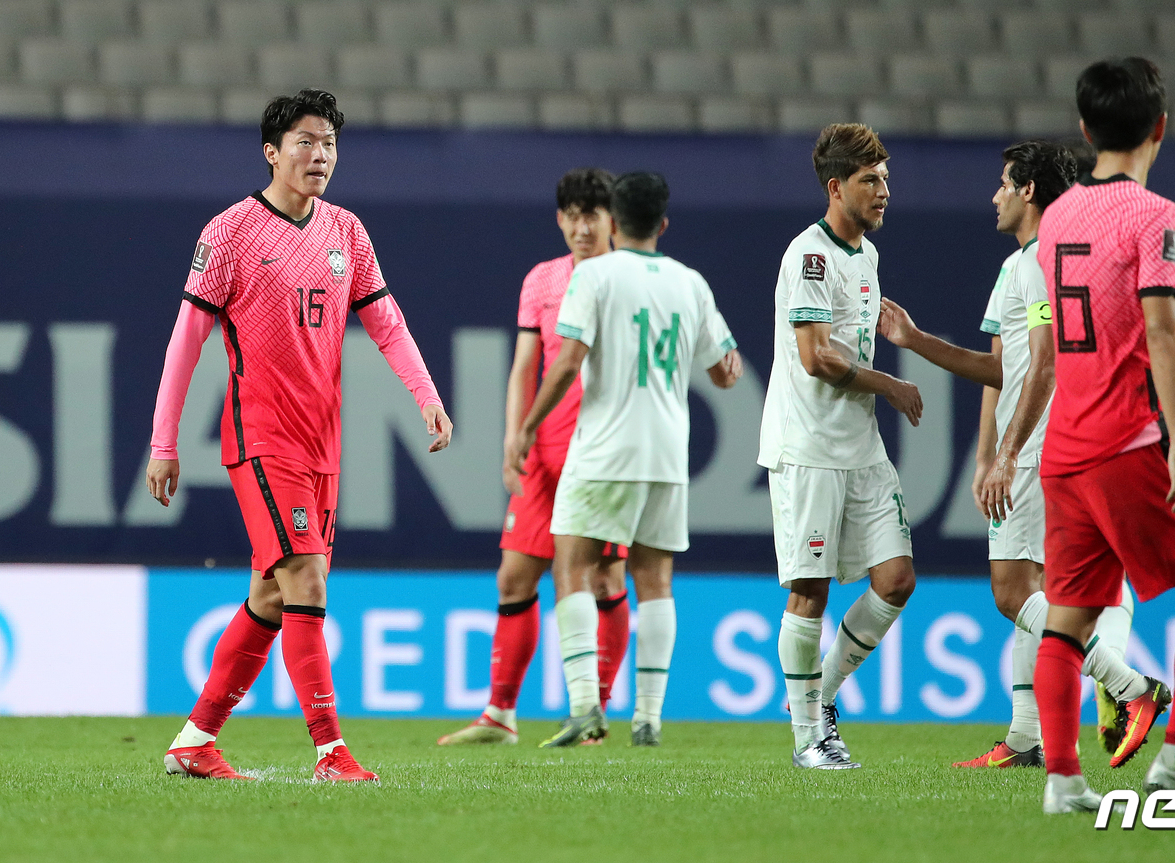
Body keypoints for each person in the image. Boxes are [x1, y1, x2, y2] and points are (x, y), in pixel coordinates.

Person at [146, 89, 451, 782]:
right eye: (306, 142)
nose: (320, 156)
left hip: (322, 444)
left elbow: (387, 323)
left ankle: (195, 740)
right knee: (307, 578)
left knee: (272, 596)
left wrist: (426, 395)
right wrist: (165, 442)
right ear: (272, 151)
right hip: (262, 436)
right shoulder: (230, 233)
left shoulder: (347, 231)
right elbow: (185, 343)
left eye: (330, 144)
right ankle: (330, 751)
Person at [877, 141, 1166, 770]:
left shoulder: (1038, 261)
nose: (995, 196)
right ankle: (1026, 738)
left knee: (1012, 592)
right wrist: (916, 342)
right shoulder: (1038, 262)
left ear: (1029, 190)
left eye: (1005, 184)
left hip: (1039, 447)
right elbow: (999, 370)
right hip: (1051, 443)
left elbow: (1044, 362)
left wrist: (1008, 455)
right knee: (1041, 590)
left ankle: (1128, 686)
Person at [1032, 58, 1175, 813]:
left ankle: (1063, 780)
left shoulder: (1057, 216)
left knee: (1068, 618)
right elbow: (1160, 327)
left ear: (1085, 128)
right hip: (1126, 443)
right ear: (1160, 126)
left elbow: (1075, 338)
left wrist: (1174, 418)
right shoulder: (1156, 215)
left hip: (1066, 450)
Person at [510, 172, 742, 747]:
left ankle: (584, 706)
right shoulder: (690, 282)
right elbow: (725, 372)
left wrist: (527, 427)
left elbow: (567, 362)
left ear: (613, 222)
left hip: (604, 448)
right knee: (655, 580)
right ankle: (648, 718)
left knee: (572, 567)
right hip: (668, 453)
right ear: (663, 223)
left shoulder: (594, 275)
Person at [437, 169, 632, 747]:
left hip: (602, 453)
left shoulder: (629, 281)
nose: (581, 227)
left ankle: (594, 713)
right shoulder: (542, 280)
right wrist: (514, 436)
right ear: (559, 219)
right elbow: (527, 364)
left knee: (603, 578)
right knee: (514, 577)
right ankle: (500, 714)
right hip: (545, 453)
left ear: (612, 220)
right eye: (571, 215)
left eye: (591, 215)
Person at [760, 124, 924, 770]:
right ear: (836, 187)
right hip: (809, 447)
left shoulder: (867, 256)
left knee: (897, 578)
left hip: (861, 447)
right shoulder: (810, 256)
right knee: (810, 590)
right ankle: (809, 738)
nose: (884, 191)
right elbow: (816, 357)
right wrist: (890, 385)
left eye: (886, 179)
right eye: (869, 180)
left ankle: (818, 697)